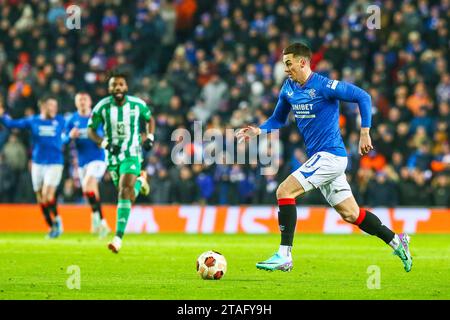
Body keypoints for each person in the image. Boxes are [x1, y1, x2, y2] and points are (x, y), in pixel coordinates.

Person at [236, 43, 413, 273]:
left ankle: (284, 255)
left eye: (289, 63)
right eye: (284, 64)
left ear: (302, 62)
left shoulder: (324, 85)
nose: (286, 69)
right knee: (352, 214)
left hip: (330, 156)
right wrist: (259, 130)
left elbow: (363, 96)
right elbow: (278, 119)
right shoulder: (288, 89)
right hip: (324, 160)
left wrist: (365, 131)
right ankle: (397, 241)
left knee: (284, 191)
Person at [87, 71, 155, 253]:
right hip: (112, 157)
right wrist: (105, 143)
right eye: (114, 85)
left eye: (121, 84)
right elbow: (90, 130)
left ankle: (117, 238)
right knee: (128, 194)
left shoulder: (137, 104)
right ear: (109, 88)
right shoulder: (102, 107)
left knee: (124, 191)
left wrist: (150, 136)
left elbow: (149, 119)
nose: (117, 87)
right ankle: (141, 181)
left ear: (126, 87)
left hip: (132, 153)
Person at [0, 96, 64, 238]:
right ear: (42, 106)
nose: (54, 108)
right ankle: (51, 226)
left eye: (55, 105)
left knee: (48, 195)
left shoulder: (60, 121)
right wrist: (2, 115)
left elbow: (66, 136)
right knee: (40, 197)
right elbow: (12, 124)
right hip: (37, 163)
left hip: (54, 162)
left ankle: (58, 220)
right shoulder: (33, 121)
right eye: (50, 105)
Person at [64, 92, 111, 237]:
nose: (82, 102)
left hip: (98, 158)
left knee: (88, 184)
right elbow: (62, 140)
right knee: (90, 191)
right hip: (82, 162)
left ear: (90, 102)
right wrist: (69, 136)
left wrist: (100, 140)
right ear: (76, 103)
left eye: (85, 99)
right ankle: (96, 220)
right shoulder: (71, 120)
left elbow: (106, 135)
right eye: (80, 100)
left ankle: (102, 222)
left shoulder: (97, 117)